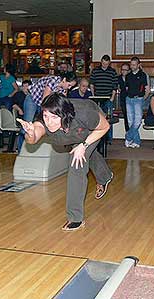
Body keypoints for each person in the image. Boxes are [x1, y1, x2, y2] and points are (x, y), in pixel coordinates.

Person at [17, 93, 113, 231]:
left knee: (77, 162)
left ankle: (75, 218)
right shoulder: (44, 121)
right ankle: (105, 176)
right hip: (71, 135)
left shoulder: (84, 114)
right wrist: (30, 133)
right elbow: (32, 139)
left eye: (54, 117)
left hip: (92, 130)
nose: (49, 121)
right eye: (46, 116)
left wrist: (84, 145)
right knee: (86, 155)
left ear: (64, 115)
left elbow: (104, 127)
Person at [17, 72, 78, 152]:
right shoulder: (53, 81)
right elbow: (45, 101)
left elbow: (62, 105)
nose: (69, 88)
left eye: (71, 86)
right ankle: (20, 150)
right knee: (27, 125)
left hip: (42, 102)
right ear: (64, 80)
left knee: (44, 123)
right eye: (69, 85)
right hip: (32, 99)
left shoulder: (64, 90)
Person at [90, 54, 118, 142]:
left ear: (109, 63)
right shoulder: (95, 71)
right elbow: (92, 84)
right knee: (98, 118)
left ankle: (108, 139)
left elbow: (115, 86)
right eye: (103, 63)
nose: (105, 65)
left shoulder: (113, 71)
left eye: (107, 64)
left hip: (108, 98)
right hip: (97, 98)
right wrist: (93, 95)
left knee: (109, 119)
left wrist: (112, 98)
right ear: (101, 62)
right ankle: (98, 138)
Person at [125, 57, 150, 148]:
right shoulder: (128, 75)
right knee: (131, 122)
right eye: (131, 64)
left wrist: (142, 99)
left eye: (134, 64)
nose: (132, 66)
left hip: (138, 99)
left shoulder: (143, 75)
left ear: (138, 65)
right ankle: (136, 141)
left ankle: (128, 137)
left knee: (138, 121)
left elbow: (147, 89)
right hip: (129, 99)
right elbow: (126, 88)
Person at [118, 63, 130, 132]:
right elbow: (118, 88)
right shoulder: (119, 78)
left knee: (131, 118)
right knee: (126, 117)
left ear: (129, 70)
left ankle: (131, 134)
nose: (123, 71)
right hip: (123, 99)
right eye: (122, 69)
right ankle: (127, 133)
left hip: (131, 99)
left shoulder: (131, 77)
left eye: (125, 70)